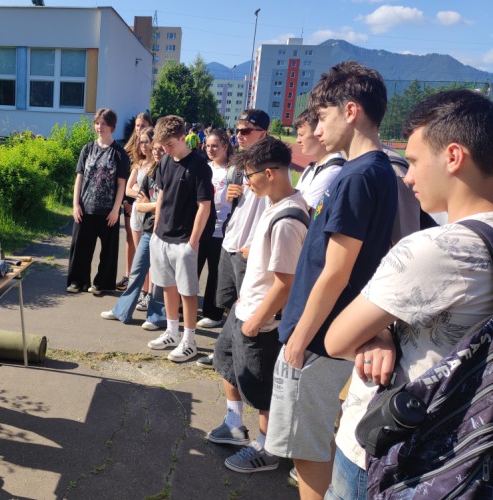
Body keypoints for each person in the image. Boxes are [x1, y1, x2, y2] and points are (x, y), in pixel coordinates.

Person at [323, 89, 493, 499]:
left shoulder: (435, 249)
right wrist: (384, 330)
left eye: (414, 161)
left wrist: (380, 329)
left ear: (453, 156)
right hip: (463, 450)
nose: (408, 176)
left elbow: (337, 340)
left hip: (392, 449)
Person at [263, 61, 398, 499]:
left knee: (309, 446)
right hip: (328, 334)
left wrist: (299, 340)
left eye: (322, 117)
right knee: (316, 442)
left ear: (352, 110)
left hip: (319, 339)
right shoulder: (377, 171)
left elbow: (336, 271)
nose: (316, 130)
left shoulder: (358, 175)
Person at [207, 137, 309, 474]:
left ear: (269, 174)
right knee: (225, 360)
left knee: (262, 389)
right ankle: (235, 424)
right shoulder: (274, 205)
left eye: (249, 176)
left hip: (261, 323)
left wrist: (255, 322)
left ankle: (268, 451)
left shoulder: (288, 220)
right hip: (245, 309)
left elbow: (286, 284)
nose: (246, 183)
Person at [197, 110, 270, 368]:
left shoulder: (270, 161)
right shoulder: (238, 163)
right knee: (229, 303)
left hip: (250, 246)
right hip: (232, 239)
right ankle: (226, 353)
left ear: (263, 132)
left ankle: (235, 357)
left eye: (246, 130)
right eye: (237, 130)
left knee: (245, 303)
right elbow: (237, 204)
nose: (239, 135)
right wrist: (232, 196)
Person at [147, 115, 215, 362]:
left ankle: (189, 341)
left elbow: (204, 206)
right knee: (167, 286)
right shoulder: (165, 162)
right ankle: (172, 332)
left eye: (170, 144)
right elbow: (162, 197)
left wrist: (193, 243)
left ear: (182, 137)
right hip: (162, 236)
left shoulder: (199, 166)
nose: (166, 150)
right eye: (163, 146)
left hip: (185, 240)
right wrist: (156, 231)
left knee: (188, 292)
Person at [101, 132, 168, 330]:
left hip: (166, 232)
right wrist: (153, 205)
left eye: (159, 149)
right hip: (149, 228)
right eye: (153, 149)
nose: (155, 152)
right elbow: (139, 204)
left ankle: (156, 317)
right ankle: (122, 310)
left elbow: (169, 204)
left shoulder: (171, 170)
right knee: (137, 270)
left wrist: (153, 204)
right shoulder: (148, 171)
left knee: (159, 276)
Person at [67, 108, 130, 295]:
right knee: (80, 249)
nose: (99, 127)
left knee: (108, 252)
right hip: (85, 208)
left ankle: (101, 283)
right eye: (97, 123)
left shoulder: (119, 153)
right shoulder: (87, 149)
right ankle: (78, 282)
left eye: (103, 123)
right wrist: (75, 204)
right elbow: (79, 178)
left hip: (108, 211)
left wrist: (115, 209)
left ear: (111, 126)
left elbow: (121, 185)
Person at [197, 129, 233, 329]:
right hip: (202, 227)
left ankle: (214, 313)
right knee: (193, 269)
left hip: (222, 230)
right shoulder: (204, 167)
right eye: (208, 146)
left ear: (225, 147)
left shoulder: (233, 170)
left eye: (215, 146)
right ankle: (189, 307)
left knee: (215, 274)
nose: (210, 149)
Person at [119, 113, 154, 291]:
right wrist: (129, 199)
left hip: (150, 210)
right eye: (137, 125)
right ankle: (131, 278)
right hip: (133, 205)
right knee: (132, 242)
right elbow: (126, 183)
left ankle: (147, 288)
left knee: (146, 249)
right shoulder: (130, 152)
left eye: (143, 125)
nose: (139, 128)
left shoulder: (157, 160)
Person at [294, 109, 344, 213]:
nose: (297, 140)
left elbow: (303, 214)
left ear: (319, 133)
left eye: (302, 134)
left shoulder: (332, 171)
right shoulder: (311, 168)